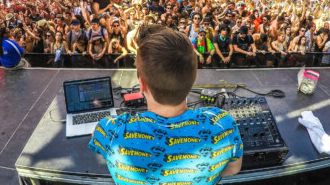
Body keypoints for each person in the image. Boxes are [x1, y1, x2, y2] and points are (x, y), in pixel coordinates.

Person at [88, 26, 243, 184]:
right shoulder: (223, 124)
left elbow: (97, 140)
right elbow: (233, 169)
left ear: (141, 84)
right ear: (193, 78)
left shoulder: (112, 130)